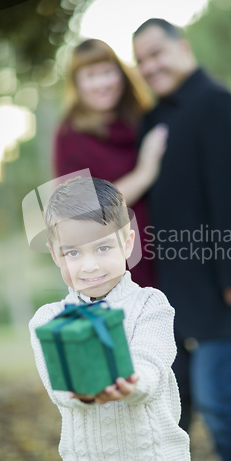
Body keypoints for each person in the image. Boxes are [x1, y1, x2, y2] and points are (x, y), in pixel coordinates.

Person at [133, 19, 231, 461]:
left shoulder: (219, 103)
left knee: (220, 402)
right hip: (184, 292)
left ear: (183, 46)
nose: (149, 66)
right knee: (230, 400)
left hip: (228, 283)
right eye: (140, 60)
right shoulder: (156, 120)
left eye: (156, 53)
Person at [29, 176, 191, 461]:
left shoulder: (150, 304)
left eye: (103, 248)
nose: (89, 265)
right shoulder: (47, 320)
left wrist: (131, 382)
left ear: (127, 243)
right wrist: (83, 389)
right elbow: (59, 388)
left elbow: (150, 364)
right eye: (73, 253)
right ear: (55, 255)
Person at [53, 38, 168, 288]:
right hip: (118, 264)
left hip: (168, 254)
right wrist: (144, 173)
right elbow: (82, 212)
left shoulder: (141, 119)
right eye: (91, 75)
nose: (102, 83)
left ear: (121, 74)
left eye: (107, 72)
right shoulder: (70, 136)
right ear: (77, 83)